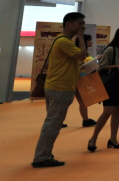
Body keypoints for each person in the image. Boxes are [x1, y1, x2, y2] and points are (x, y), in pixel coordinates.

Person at [31, 12, 89, 168]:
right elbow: (82, 55)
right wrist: (81, 38)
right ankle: (41, 157)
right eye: (80, 23)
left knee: (52, 122)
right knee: (53, 123)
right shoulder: (64, 41)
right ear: (68, 24)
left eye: (83, 23)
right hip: (60, 88)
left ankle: (44, 154)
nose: (82, 27)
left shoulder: (62, 40)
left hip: (57, 87)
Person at [88, 27, 119, 152]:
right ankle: (93, 138)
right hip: (111, 83)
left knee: (117, 112)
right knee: (107, 111)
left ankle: (113, 139)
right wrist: (116, 66)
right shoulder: (111, 49)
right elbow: (101, 67)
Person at [77, 32, 97, 128]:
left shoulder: (86, 53)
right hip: (77, 79)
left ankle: (85, 120)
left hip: (83, 78)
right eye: (89, 40)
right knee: (67, 101)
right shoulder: (78, 53)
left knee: (83, 102)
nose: (91, 42)